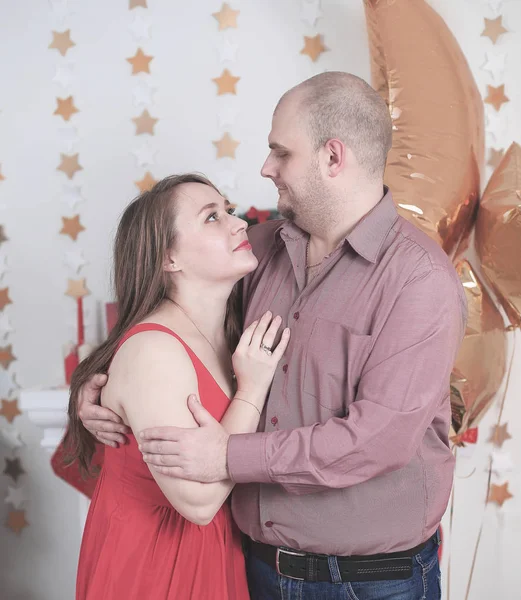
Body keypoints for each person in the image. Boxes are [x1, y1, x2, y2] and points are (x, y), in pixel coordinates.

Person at [78, 72, 467, 600]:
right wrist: (98, 385)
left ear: (333, 158)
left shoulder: (419, 279)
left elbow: (379, 439)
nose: (266, 169)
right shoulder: (258, 253)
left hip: (370, 584)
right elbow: (167, 315)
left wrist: (227, 457)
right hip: (253, 569)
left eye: (280, 153)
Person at [64, 173, 290, 599]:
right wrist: (252, 389)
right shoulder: (155, 350)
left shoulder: (232, 329)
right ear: (169, 257)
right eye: (211, 217)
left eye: (228, 209)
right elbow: (199, 503)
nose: (239, 222)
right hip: (155, 566)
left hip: (219, 555)